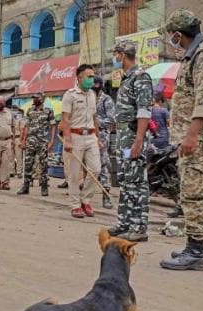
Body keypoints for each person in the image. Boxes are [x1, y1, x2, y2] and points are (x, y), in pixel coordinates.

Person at [160, 10, 203, 271]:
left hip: (200, 140)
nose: (172, 41)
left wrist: (191, 135)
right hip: (199, 138)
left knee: (194, 193)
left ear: (178, 35)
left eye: (172, 37)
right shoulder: (195, 55)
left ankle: (195, 251)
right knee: (202, 192)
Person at [107, 41, 153, 241]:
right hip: (124, 138)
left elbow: (144, 111)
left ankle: (138, 226)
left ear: (122, 55)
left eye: (116, 55)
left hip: (134, 137)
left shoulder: (140, 77)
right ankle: (125, 222)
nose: (115, 59)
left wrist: (138, 141)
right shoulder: (126, 79)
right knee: (126, 180)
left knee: (136, 181)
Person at [61, 64, 101, 218]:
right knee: (74, 173)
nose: (92, 79)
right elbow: (65, 120)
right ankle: (75, 205)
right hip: (75, 136)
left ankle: (86, 200)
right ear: (79, 78)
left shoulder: (92, 94)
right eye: (89, 76)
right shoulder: (69, 95)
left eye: (93, 76)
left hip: (91, 136)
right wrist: (68, 140)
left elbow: (94, 117)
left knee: (95, 169)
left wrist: (97, 137)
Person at [17, 92, 55, 196]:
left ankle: (44, 187)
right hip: (31, 141)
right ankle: (26, 186)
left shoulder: (48, 111)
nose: (34, 100)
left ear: (42, 99)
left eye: (36, 98)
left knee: (43, 164)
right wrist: (24, 140)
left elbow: (52, 126)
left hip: (42, 141)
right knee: (28, 163)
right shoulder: (29, 111)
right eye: (33, 98)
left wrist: (51, 141)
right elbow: (27, 126)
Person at [93, 76, 116, 209]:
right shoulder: (87, 98)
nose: (94, 86)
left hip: (101, 134)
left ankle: (106, 195)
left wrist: (96, 123)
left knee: (102, 164)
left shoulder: (106, 99)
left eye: (97, 83)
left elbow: (111, 119)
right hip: (85, 134)